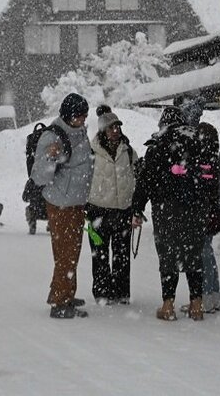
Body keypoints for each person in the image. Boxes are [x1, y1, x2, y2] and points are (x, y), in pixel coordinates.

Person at [133, 102, 211, 322]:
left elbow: (146, 181)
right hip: (194, 209)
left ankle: (168, 305)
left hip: (166, 210)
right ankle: (197, 304)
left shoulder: (158, 144)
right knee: (193, 255)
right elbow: (208, 178)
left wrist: (137, 208)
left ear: (163, 122)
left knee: (168, 256)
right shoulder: (197, 141)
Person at [30, 93, 94, 319]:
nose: (83, 120)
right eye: (79, 116)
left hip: (76, 202)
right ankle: (59, 302)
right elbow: (38, 176)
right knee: (65, 254)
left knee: (72, 252)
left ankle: (66, 293)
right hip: (60, 203)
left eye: (85, 116)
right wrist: (50, 158)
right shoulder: (52, 137)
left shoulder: (80, 132)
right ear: (68, 115)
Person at [86, 109, 138, 305]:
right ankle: (101, 293)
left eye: (117, 127)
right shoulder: (91, 152)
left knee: (122, 255)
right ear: (102, 131)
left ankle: (121, 292)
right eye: (111, 128)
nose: (115, 131)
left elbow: (136, 177)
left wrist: (136, 206)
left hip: (123, 210)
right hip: (96, 211)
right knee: (99, 254)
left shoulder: (129, 151)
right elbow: (84, 180)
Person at [197, 122, 220, 313]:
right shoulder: (214, 158)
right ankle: (215, 296)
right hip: (212, 211)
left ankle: (206, 296)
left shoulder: (204, 160)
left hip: (204, 211)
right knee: (208, 252)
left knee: (203, 253)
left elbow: (203, 183)